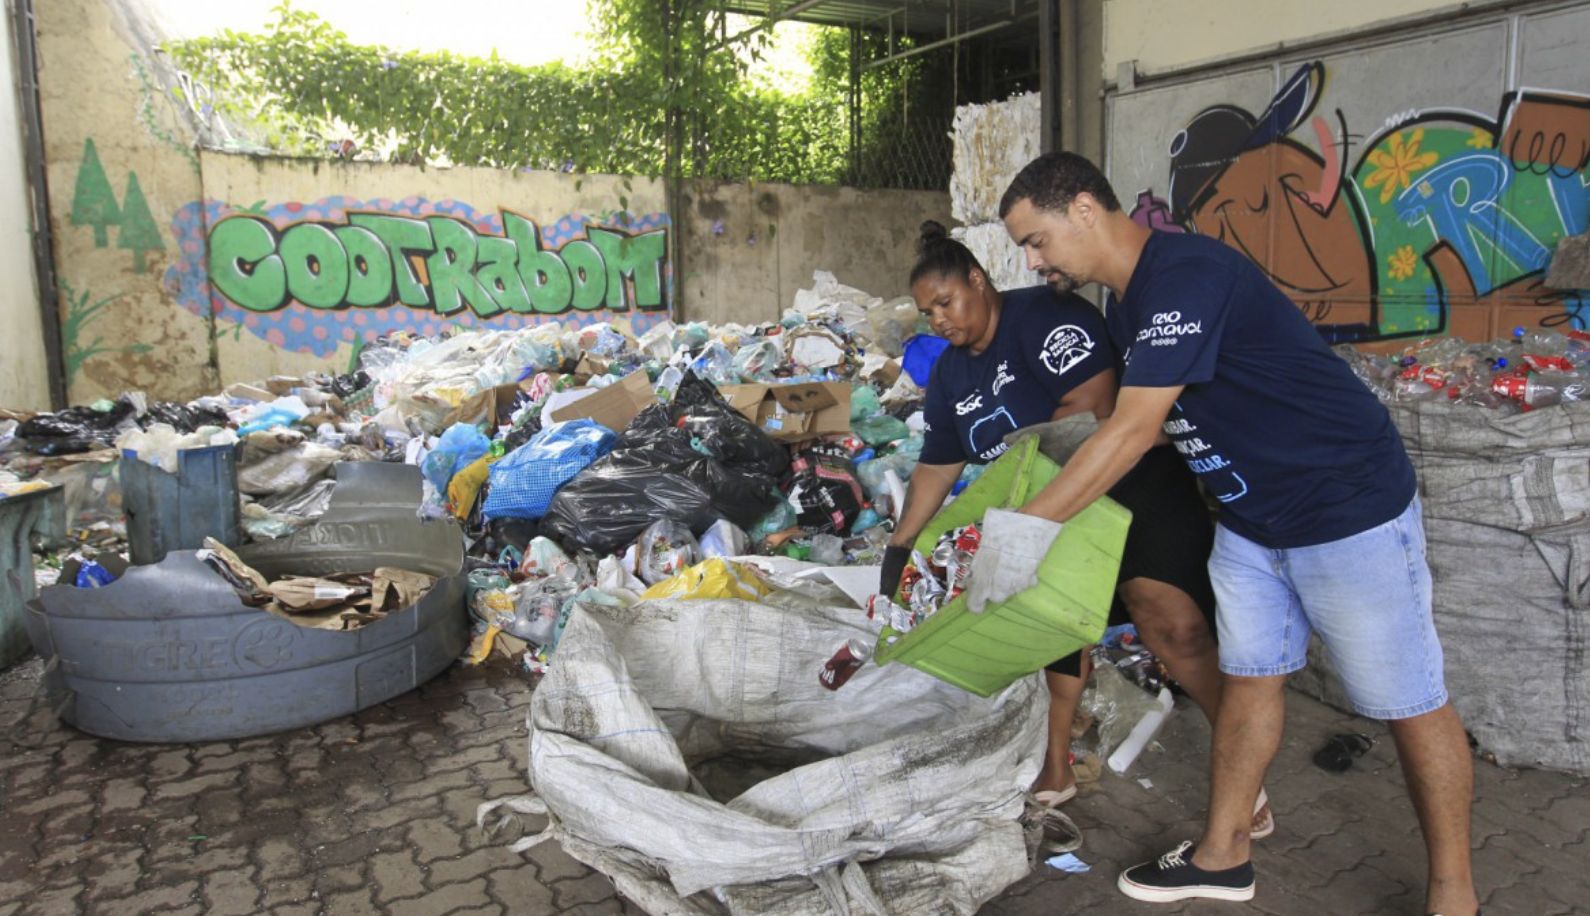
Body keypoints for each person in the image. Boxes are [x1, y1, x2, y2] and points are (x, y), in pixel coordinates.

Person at [997, 151, 1477, 914]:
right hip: (1253, 520)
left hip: (1341, 508)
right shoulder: (1128, 303)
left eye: (1037, 239)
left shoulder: (1186, 276)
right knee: (1250, 675)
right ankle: (1224, 857)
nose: (1033, 260)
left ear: (1085, 209)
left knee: (1409, 700)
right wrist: (1047, 461)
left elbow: (1134, 428)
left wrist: (1021, 528)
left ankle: (1455, 896)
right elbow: (1154, 424)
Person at [879, 221, 1262, 827]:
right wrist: (900, 546)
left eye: (947, 303)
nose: (940, 321)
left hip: (1133, 491)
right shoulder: (951, 372)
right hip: (1040, 512)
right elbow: (937, 463)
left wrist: (1022, 478)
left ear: (977, 282)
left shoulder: (1044, 317)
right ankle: (1055, 767)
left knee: (1176, 631)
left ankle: (1247, 777)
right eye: (928, 313)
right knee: (1056, 633)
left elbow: (1095, 404)